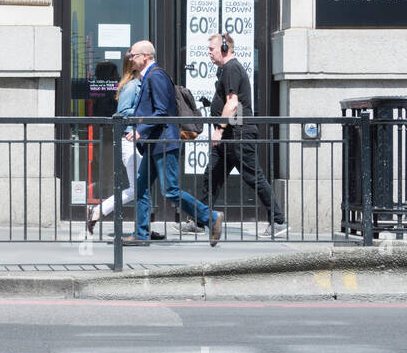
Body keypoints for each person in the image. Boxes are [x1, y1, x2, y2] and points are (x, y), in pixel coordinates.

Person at [123, 40, 223, 246]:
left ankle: (211, 218)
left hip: (164, 142)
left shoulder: (156, 76)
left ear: (145, 56)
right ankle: (141, 234)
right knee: (141, 188)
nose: (130, 59)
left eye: (133, 55)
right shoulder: (149, 76)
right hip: (155, 143)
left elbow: (161, 111)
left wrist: (140, 131)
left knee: (170, 190)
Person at [200, 33, 286, 238]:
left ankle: (278, 221)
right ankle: (198, 219)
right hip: (231, 134)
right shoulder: (226, 70)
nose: (209, 53)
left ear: (223, 49)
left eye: (211, 49)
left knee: (253, 176)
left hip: (237, 134)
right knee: (212, 176)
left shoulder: (231, 68)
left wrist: (219, 130)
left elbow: (232, 103)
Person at [86, 55, 140, 235]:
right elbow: (122, 112)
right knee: (137, 187)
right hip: (123, 137)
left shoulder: (126, 85)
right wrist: (145, 111)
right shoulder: (130, 86)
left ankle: (142, 229)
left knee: (138, 187)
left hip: (118, 136)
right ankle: (99, 210)